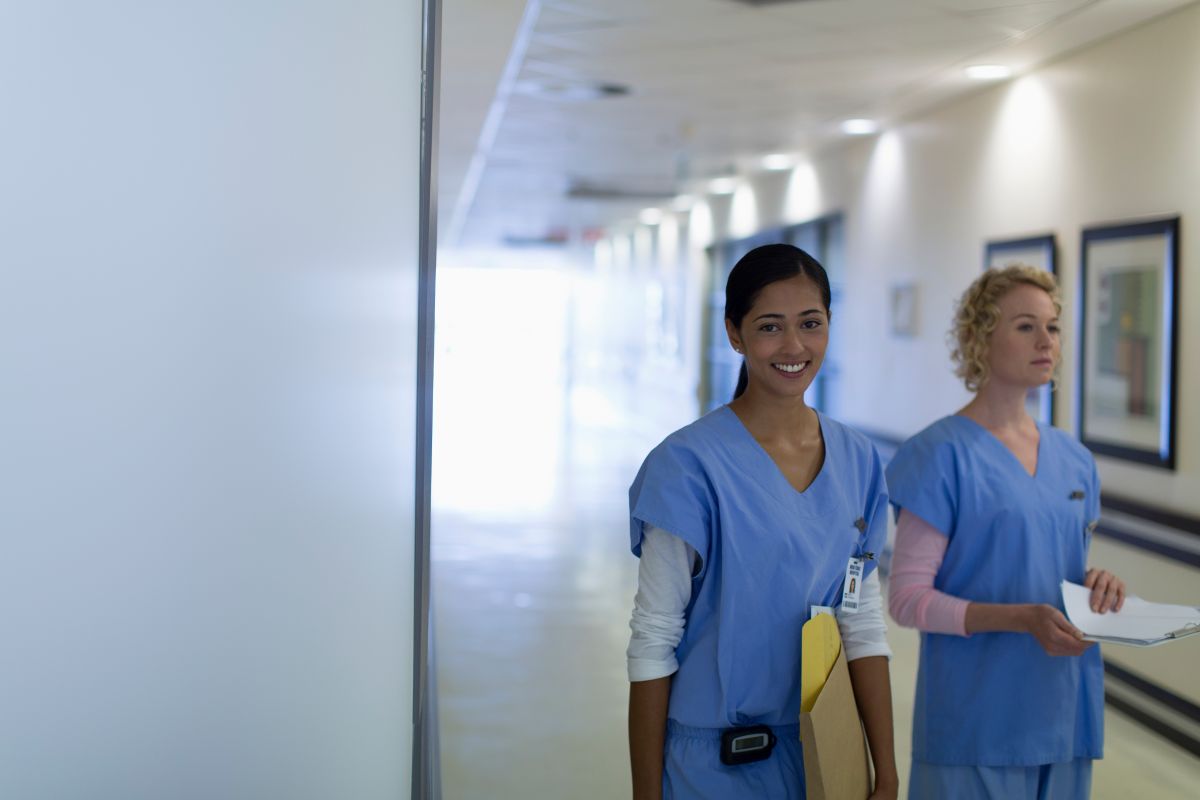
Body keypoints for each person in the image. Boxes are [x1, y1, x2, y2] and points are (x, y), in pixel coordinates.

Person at [625, 243, 898, 800]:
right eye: (770, 326)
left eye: (811, 323)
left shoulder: (858, 461)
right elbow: (654, 640)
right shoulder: (687, 467)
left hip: (825, 751)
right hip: (711, 763)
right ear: (735, 333)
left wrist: (885, 768)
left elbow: (861, 619)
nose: (794, 346)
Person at [886, 265, 1127, 800]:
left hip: (1063, 711)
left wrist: (1096, 582)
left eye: (1054, 327)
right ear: (978, 339)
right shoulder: (938, 456)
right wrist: (1019, 619)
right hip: (975, 719)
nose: (1046, 341)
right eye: (1025, 326)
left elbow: (1047, 564)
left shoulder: (1075, 460)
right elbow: (906, 600)